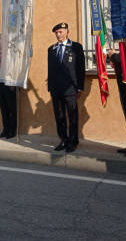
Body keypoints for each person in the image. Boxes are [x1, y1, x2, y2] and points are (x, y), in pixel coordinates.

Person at [47, 22, 85, 153]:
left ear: (67, 31)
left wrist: (80, 87)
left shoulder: (76, 47)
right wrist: (50, 88)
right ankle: (63, 139)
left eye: (61, 32)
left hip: (70, 88)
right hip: (56, 89)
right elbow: (50, 70)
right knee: (60, 116)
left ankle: (73, 141)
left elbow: (80, 68)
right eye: (56, 33)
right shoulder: (51, 49)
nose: (58, 35)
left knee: (72, 116)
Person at [0, 34, 17, 139]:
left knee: (12, 109)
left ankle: (12, 131)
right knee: (3, 110)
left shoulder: (11, 55)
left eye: (0, 41)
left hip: (9, 86)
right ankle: (5, 130)